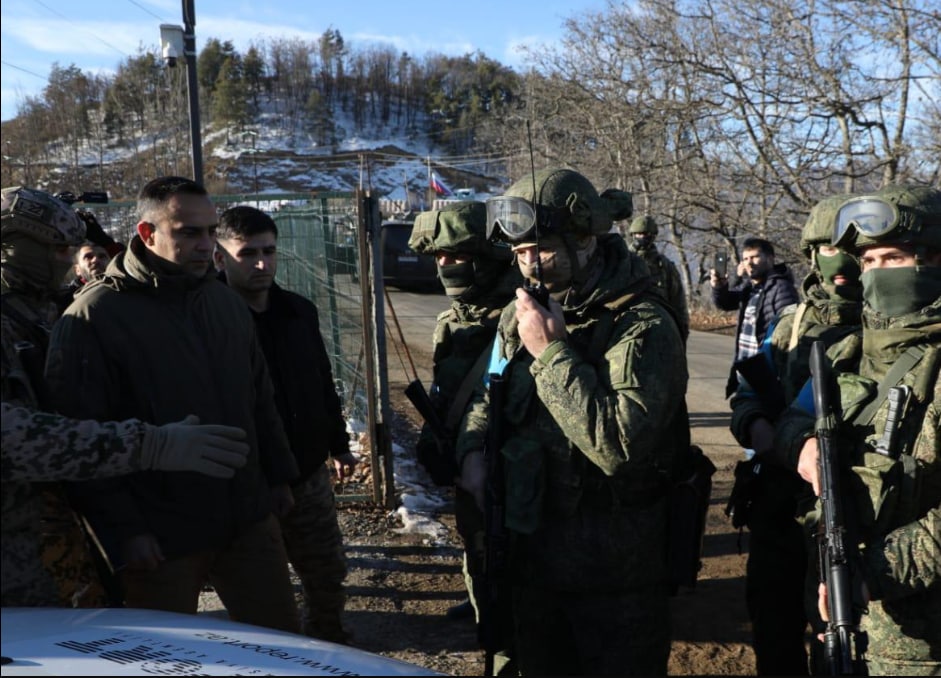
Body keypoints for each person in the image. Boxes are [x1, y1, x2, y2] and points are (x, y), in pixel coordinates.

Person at [456, 168, 687, 675]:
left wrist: (551, 352)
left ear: (586, 239)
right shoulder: (519, 315)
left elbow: (618, 444)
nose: (528, 265)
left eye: (539, 249)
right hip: (530, 559)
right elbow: (487, 395)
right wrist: (472, 451)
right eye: (517, 254)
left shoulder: (644, 325)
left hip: (613, 579)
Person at [45, 176, 301, 633]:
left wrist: (279, 476)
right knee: (165, 657)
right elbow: (77, 435)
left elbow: (260, 396)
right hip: (160, 535)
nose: (207, 244)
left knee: (281, 642)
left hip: (245, 516)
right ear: (147, 234)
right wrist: (124, 532)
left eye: (210, 230)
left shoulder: (225, 303)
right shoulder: (93, 317)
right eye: (189, 232)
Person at [1, 185, 249, 607]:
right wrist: (150, 444)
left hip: (42, 542)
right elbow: (12, 437)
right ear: (13, 248)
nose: (69, 262)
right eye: (59, 251)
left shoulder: (34, 312)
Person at [774, 184, 940, 676]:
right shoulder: (845, 352)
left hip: (922, 649)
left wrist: (874, 573)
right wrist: (800, 447)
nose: (877, 274)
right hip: (837, 626)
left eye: (893, 258)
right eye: (869, 262)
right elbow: (792, 421)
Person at [728, 194, 863, 675]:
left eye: (854, 247)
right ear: (812, 256)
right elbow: (745, 394)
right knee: (774, 630)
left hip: (848, 517)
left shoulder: (887, 328)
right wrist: (759, 428)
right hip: (779, 508)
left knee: (839, 640)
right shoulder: (792, 324)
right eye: (829, 248)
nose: (842, 260)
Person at [213, 204, 358, 644]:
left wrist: (338, 444)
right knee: (259, 585)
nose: (262, 264)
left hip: (306, 470)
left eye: (270, 251)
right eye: (247, 253)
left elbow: (319, 381)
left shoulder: (298, 311)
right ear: (220, 257)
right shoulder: (209, 319)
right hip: (246, 479)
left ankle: (329, 645)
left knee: (326, 571)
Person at [407, 200, 520, 626]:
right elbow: (444, 390)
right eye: (440, 256)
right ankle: (479, 598)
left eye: (458, 256)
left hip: (507, 460)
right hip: (465, 457)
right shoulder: (451, 319)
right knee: (473, 536)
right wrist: (433, 441)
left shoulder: (517, 315)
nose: (446, 265)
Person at [711, 237, 799, 396]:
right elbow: (725, 303)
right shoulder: (750, 287)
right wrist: (719, 286)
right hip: (746, 370)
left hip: (765, 375)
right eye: (745, 259)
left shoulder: (782, 288)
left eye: (755, 257)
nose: (749, 263)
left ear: (770, 259)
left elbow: (788, 335)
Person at [625, 214, 689, 341]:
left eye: (647, 234)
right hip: (627, 321)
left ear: (653, 236)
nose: (643, 237)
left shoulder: (664, 266)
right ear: (633, 235)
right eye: (639, 234)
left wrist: (682, 329)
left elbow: (678, 300)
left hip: (658, 323)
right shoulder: (622, 261)